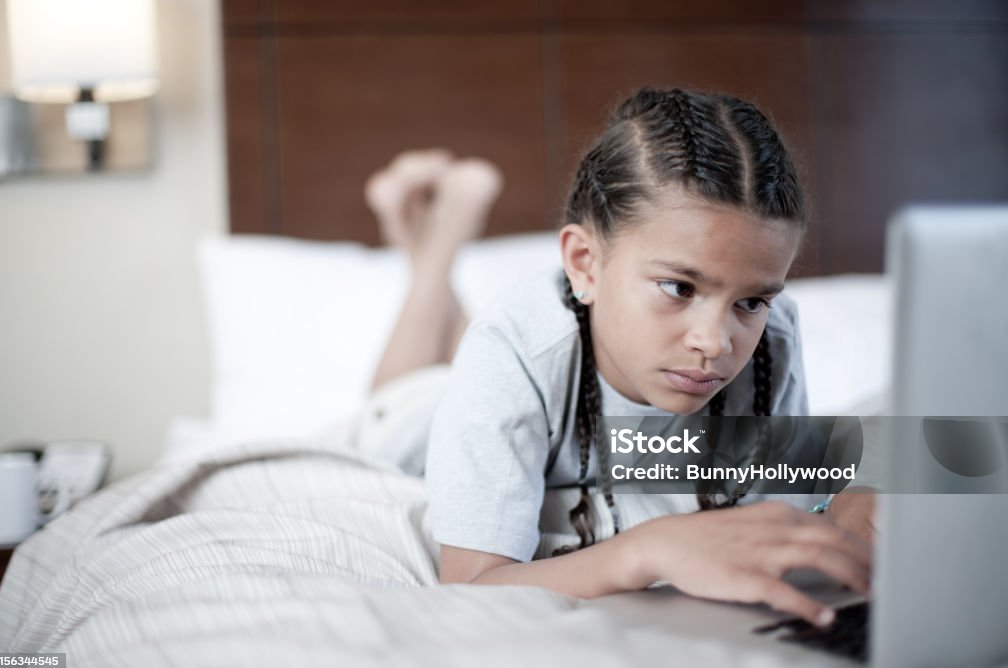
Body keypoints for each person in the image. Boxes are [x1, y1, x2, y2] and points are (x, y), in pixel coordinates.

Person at [360, 87, 875, 629]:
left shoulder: (772, 338)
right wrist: (645, 548)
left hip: (547, 366)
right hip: (437, 408)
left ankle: (429, 245)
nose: (716, 342)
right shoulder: (511, 347)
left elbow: (778, 509)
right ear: (584, 263)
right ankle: (434, 251)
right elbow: (470, 588)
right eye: (679, 287)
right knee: (409, 391)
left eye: (750, 302)